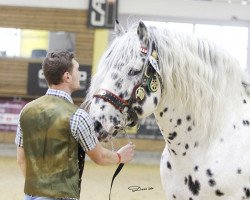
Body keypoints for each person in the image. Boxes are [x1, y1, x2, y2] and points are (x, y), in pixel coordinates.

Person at [15, 50, 135, 200]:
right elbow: (99, 156)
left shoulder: (26, 111)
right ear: (67, 76)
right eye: (77, 70)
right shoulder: (78, 116)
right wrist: (120, 156)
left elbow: (21, 159)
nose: (79, 74)